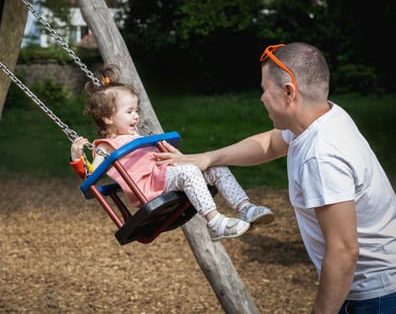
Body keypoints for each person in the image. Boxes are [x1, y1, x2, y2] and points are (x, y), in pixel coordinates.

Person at [154, 42, 396, 313]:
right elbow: (271, 144)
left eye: (264, 90)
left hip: (375, 297)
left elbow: (343, 250)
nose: (261, 98)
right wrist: (209, 158)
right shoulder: (324, 117)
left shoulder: (321, 155)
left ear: (288, 92)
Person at [69, 64, 275, 242]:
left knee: (216, 167)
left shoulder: (136, 135)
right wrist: (78, 158)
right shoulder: (105, 146)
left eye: (136, 110)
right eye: (129, 111)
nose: (136, 116)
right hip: (150, 188)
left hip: (164, 176)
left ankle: (245, 207)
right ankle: (215, 222)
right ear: (107, 118)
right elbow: (90, 177)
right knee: (188, 172)